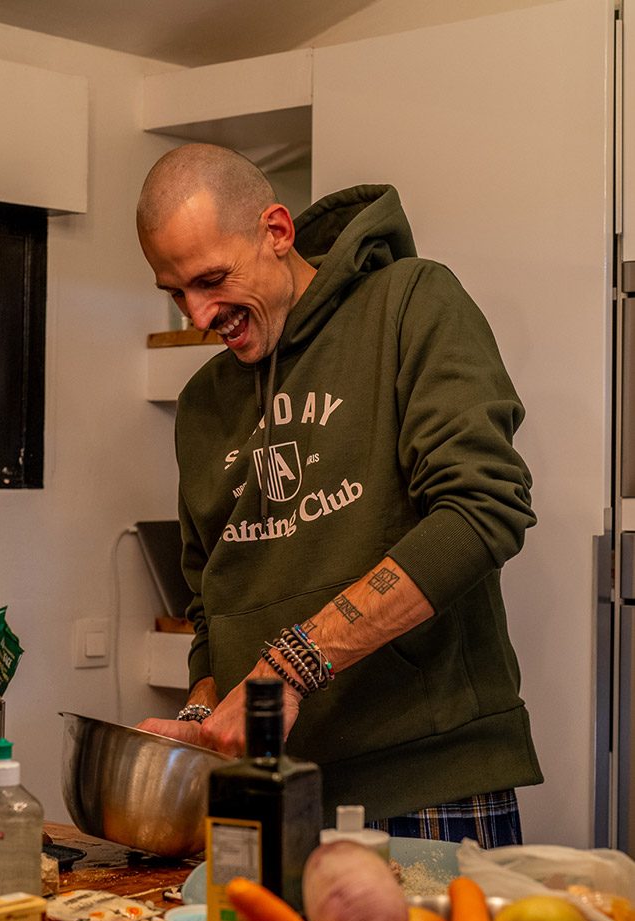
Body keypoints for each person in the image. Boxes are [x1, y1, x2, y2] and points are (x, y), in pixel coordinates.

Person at [136, 143, 543, 846]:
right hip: (265, 792)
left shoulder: (411, 302)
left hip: (424, 785)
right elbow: (211, 595)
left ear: (276, 231)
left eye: (211, 279)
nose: (198, 316)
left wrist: (290, 665)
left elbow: (483, 510)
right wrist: (207, 705)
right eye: (175, 293)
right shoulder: (204, 402)